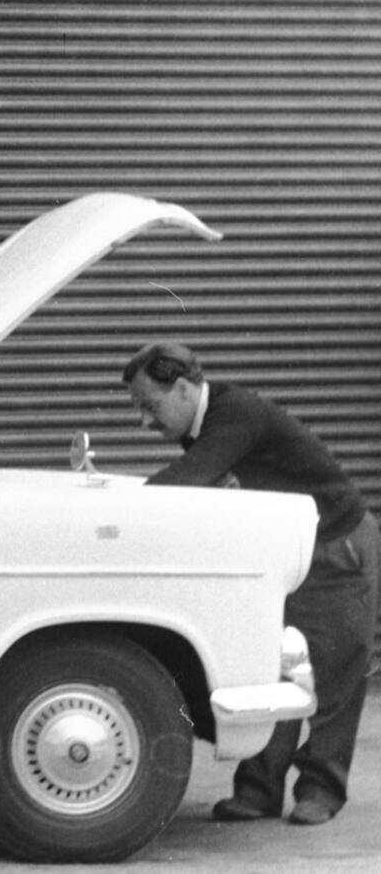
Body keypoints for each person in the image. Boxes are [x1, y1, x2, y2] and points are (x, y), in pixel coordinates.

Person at [122, 341, 379, 826]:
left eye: (150, 406)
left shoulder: (234, 414)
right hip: (284, 550)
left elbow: (189, 479)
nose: (144, 422)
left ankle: (320, 791)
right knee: (271, 668)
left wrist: (115, 512)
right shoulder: (206, 423)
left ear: (183, 389)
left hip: (335, 547)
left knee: (334, 676)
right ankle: (259, 793)